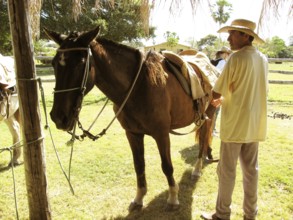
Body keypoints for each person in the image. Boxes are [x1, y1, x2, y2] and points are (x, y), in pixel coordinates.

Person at [201, 18, 268, 220]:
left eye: (233, 34)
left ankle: (222, 214)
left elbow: (216, 92)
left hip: (234, 125)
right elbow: (253, 90)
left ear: (246, 36)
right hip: (254, 124)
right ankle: (250, 214)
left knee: (226, 171)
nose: (229, 38)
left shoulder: (236, 59)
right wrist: (226, 96)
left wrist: (216, 98)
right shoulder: (262, 59)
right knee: (251, 171)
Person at [210, 46, 232, 136]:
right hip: (217, 87)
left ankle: (211, 129)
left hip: (212, 86)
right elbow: (218, 73)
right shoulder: (222, 62)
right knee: (215, 109)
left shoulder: (215, 61)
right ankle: (212, 130)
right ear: (225, 54)